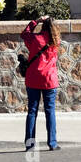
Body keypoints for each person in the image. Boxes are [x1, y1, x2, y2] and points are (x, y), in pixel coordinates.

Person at [21, 16, 61, 151]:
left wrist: (36, 21)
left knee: (32, 112)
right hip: (49, 80)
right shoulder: (56, 41)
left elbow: (25, 33)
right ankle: (52, 143)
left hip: (33, 79)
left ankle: (30, 144)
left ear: (43, 26)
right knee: (50, 111)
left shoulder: (35, 39)